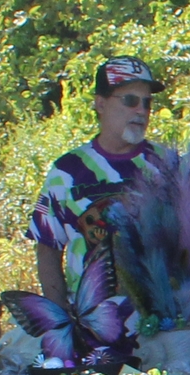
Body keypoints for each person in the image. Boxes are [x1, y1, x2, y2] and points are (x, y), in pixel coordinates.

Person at [30, 57, 160, 312]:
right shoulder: (67, 170)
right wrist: (60, 319)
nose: (141, 111)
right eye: (130, 100)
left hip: (159, 322)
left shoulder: (167, 164)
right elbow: (47, 248)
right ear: (101, 104)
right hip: (91, 320)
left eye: (147, 102)